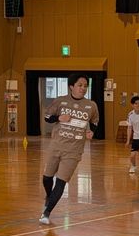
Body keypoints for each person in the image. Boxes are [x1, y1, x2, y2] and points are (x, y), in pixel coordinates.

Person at [40, 74, 99, 225]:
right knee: (47, 178)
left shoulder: (91, 105)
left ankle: (46, 213)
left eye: (85, 86)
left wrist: (91, 132)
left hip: (74, 150)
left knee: (61, 182)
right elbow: (47, 117)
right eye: (80, 85)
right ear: (71, 86)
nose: (83, 88)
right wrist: (59, 118)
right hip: (56, 146)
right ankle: (49, 196)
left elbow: (94, 122)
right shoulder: (60, 101)